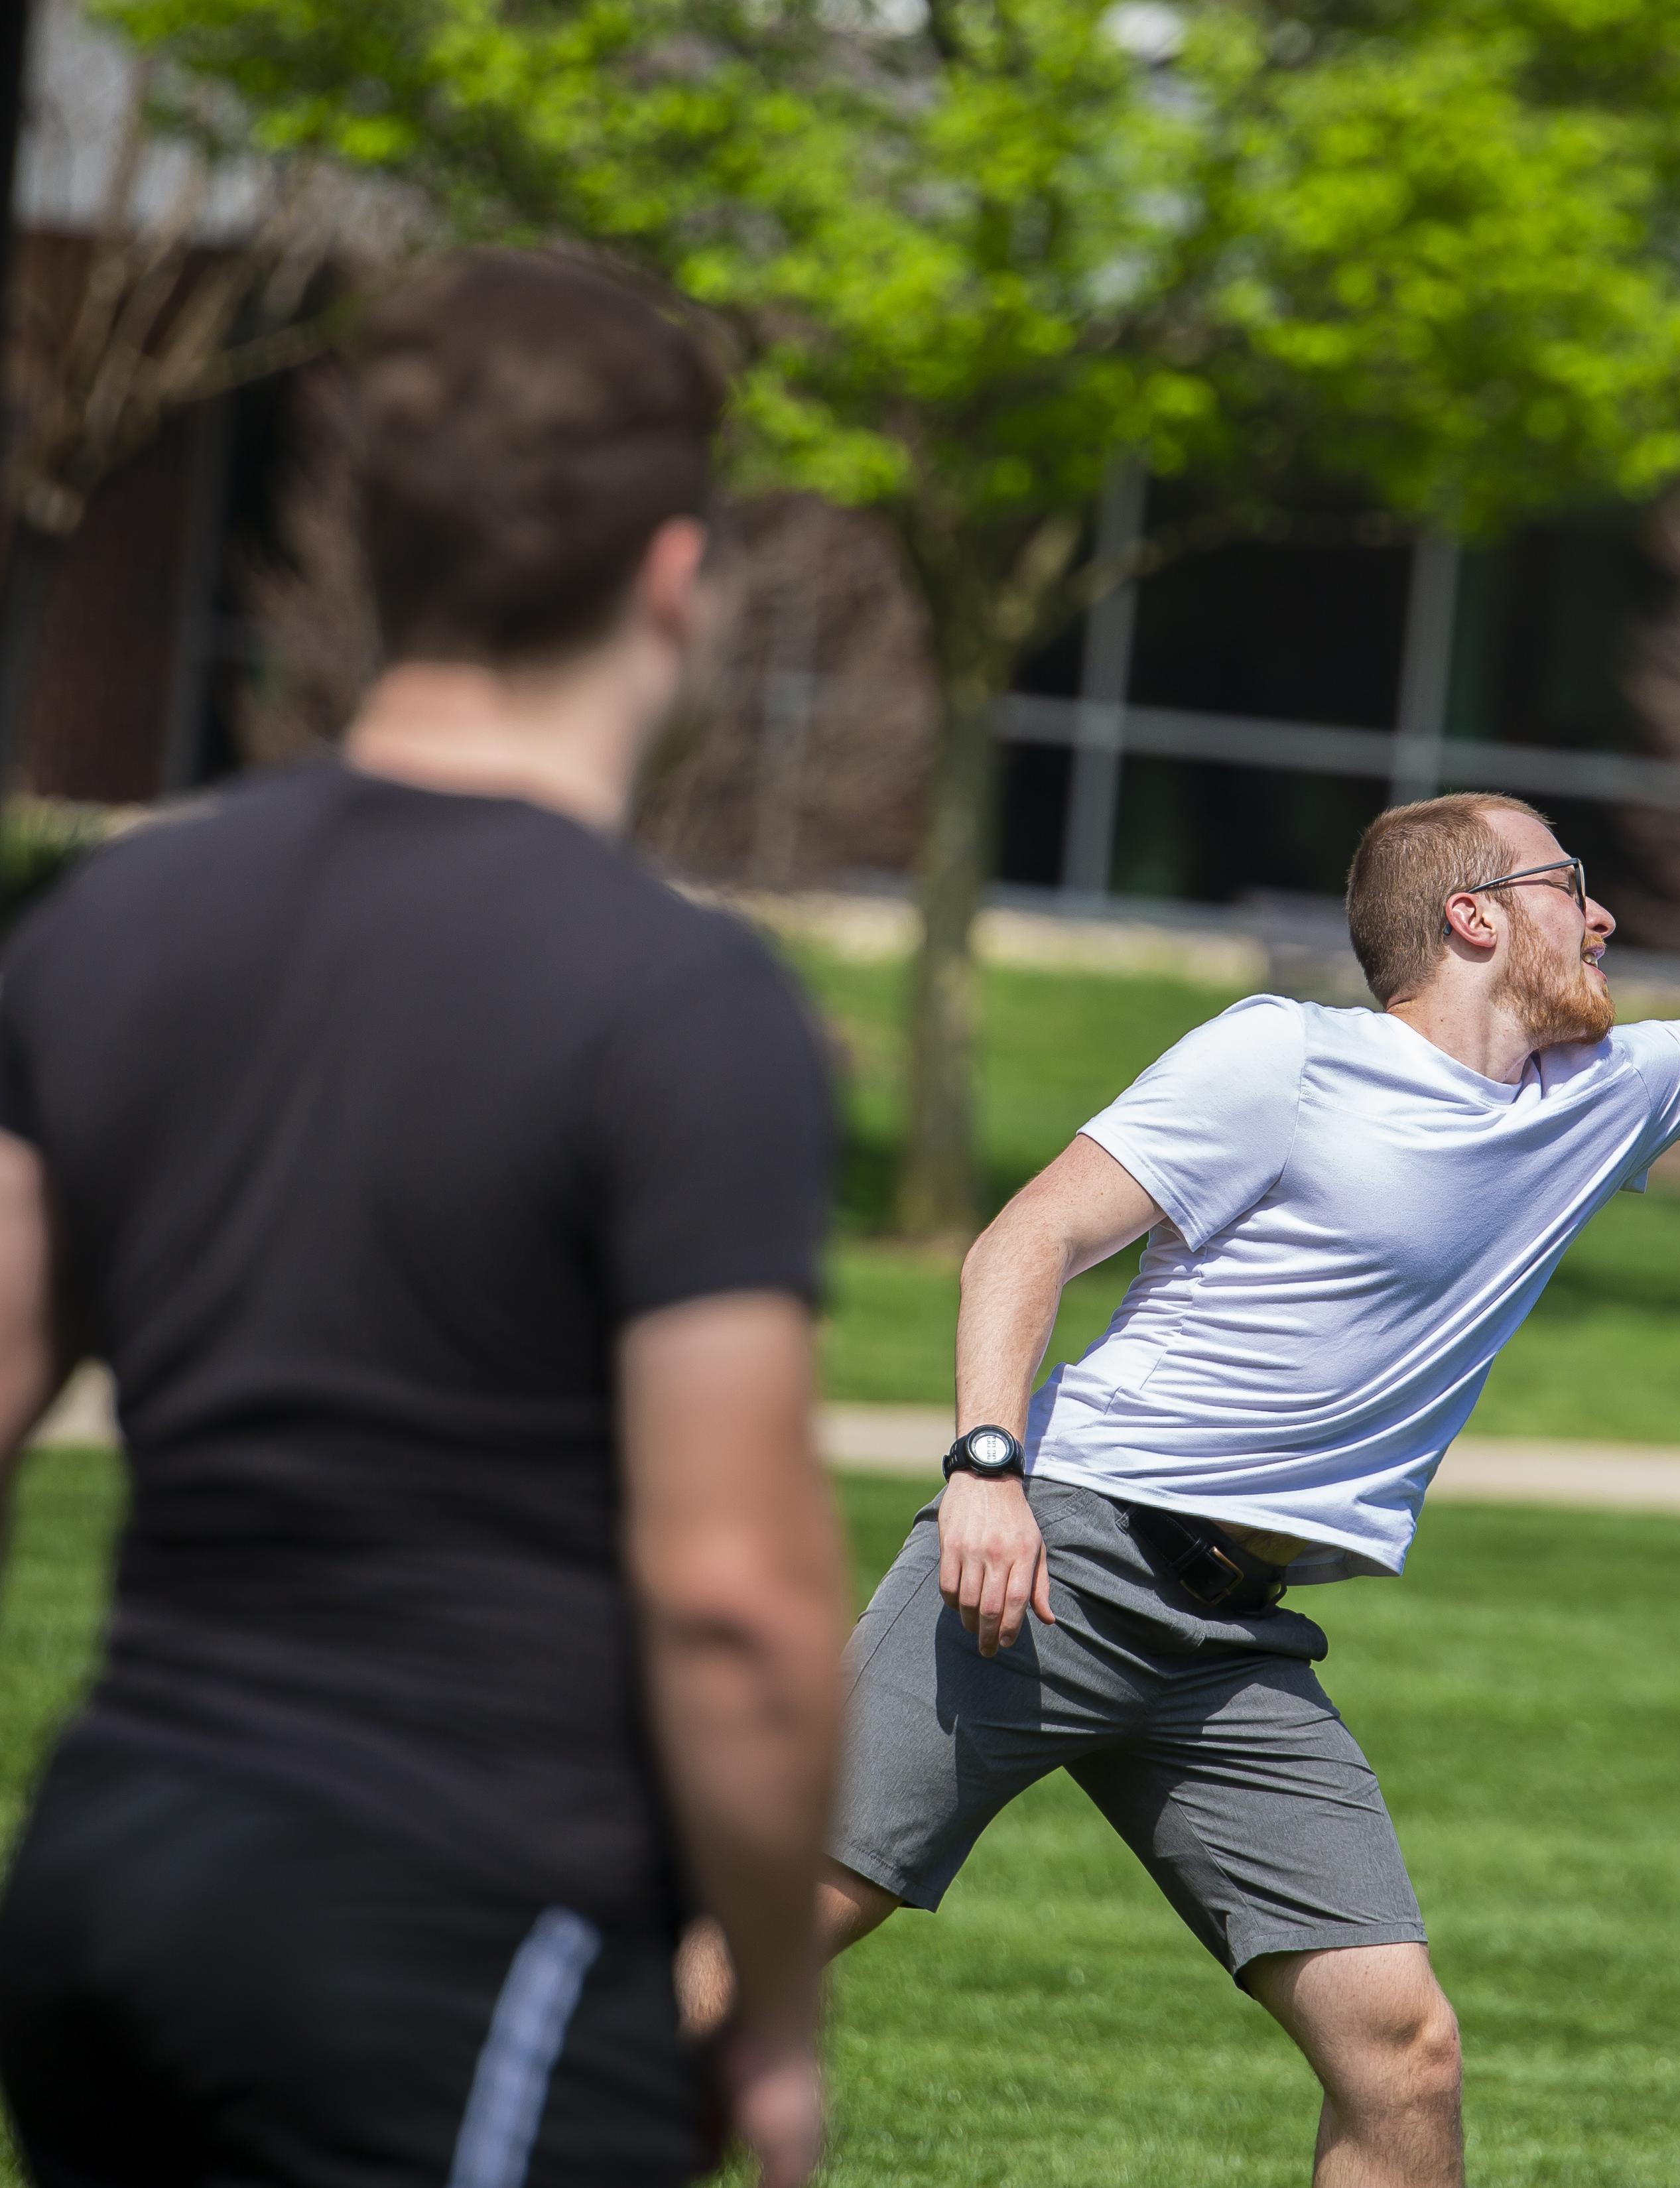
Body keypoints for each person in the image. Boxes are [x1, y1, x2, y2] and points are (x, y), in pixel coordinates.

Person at [782, 779, 1680, 2185]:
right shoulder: (1285, 1061)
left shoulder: (1596, 1103)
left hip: (1229, 1644)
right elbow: (1023, 1242)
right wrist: (986, 1465)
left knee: (1402, 2052)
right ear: (1474, 918)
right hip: (1058, 1559)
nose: (1605, 913)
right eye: (1572, 884)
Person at [0, 253, 850, 2188]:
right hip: (462, 1927)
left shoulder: (105, 927)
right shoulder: (680, 1004)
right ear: (669, 572)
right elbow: (735, 1602)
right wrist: (778, 2020)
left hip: (107, 1873)